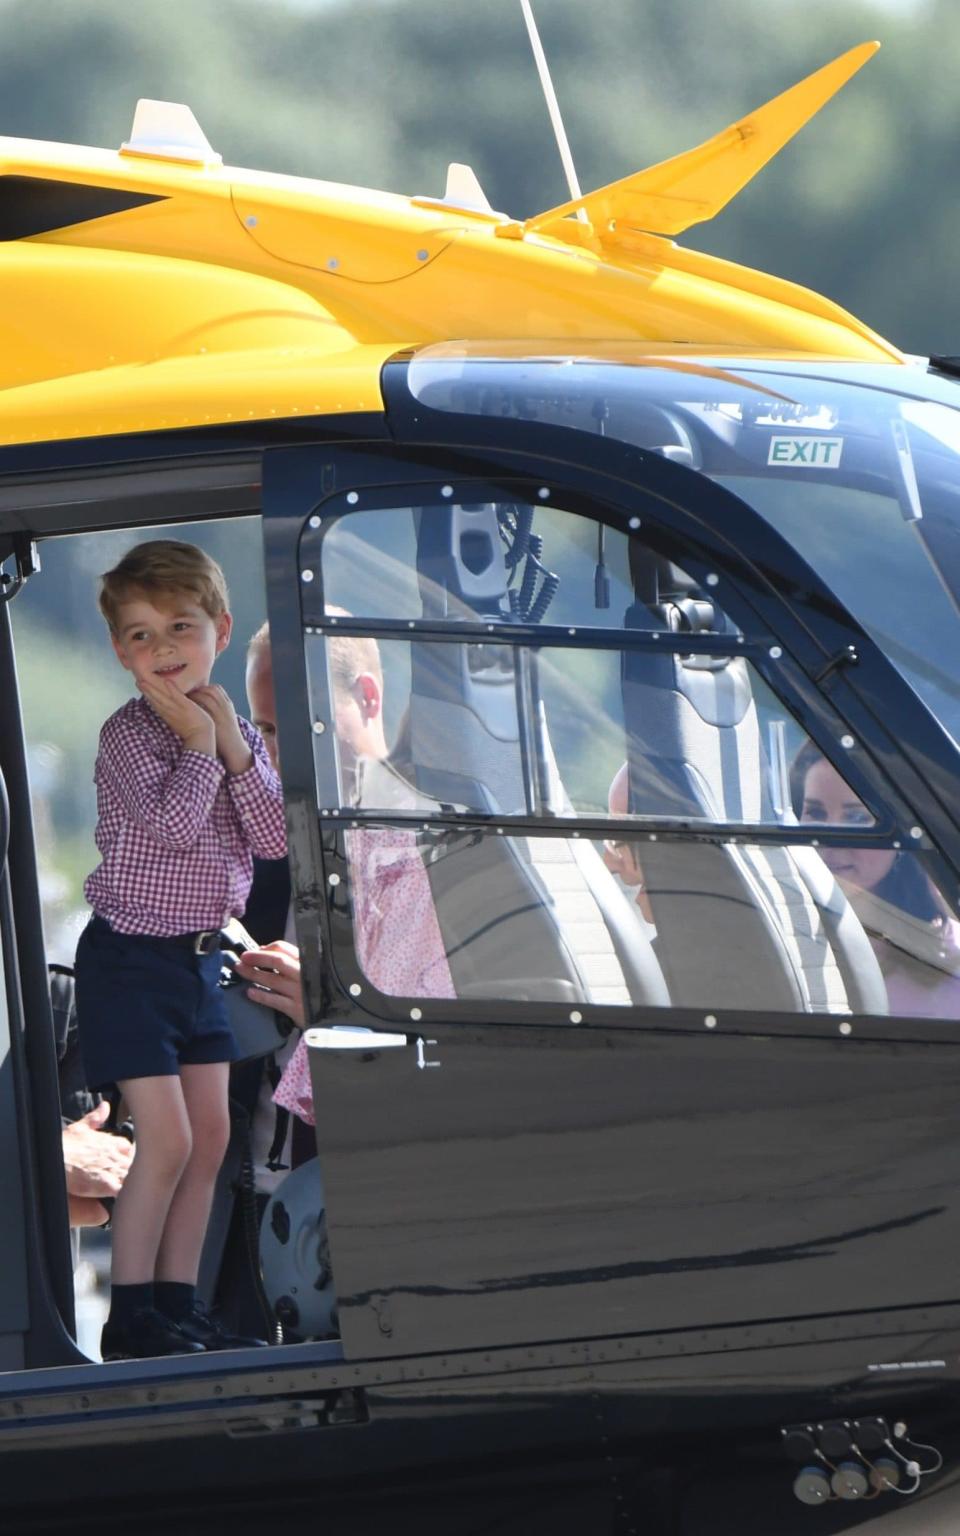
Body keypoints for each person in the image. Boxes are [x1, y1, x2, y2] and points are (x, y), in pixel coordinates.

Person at [73, 540, 287, 1360]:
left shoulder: (235, 734)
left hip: (199, 961)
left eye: (179, 627)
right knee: (163, 1138)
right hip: (131, 960)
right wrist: (199, 744)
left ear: (220, 631)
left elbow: (268, 838)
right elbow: (168, 828)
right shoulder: (128, 737)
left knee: (211, 1139)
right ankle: (130, 1313)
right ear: (118, 651)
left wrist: (233, 744)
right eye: (137, 635)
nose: (161, 650)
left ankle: (177, 1301)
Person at [237, 620, 454, 1128]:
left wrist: (331, 1012)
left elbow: (446, 1066)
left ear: (368, 698)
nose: (278, 751)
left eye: (300, 721)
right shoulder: (250, 851)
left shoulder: (432, 856)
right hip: (250, 1185)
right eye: (266, 729)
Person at [791, 742, 960, 1018]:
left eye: (858, 817)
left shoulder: (950, 968)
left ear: (904, 831)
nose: (831, 841)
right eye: (816, 813)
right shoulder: (775, 932)